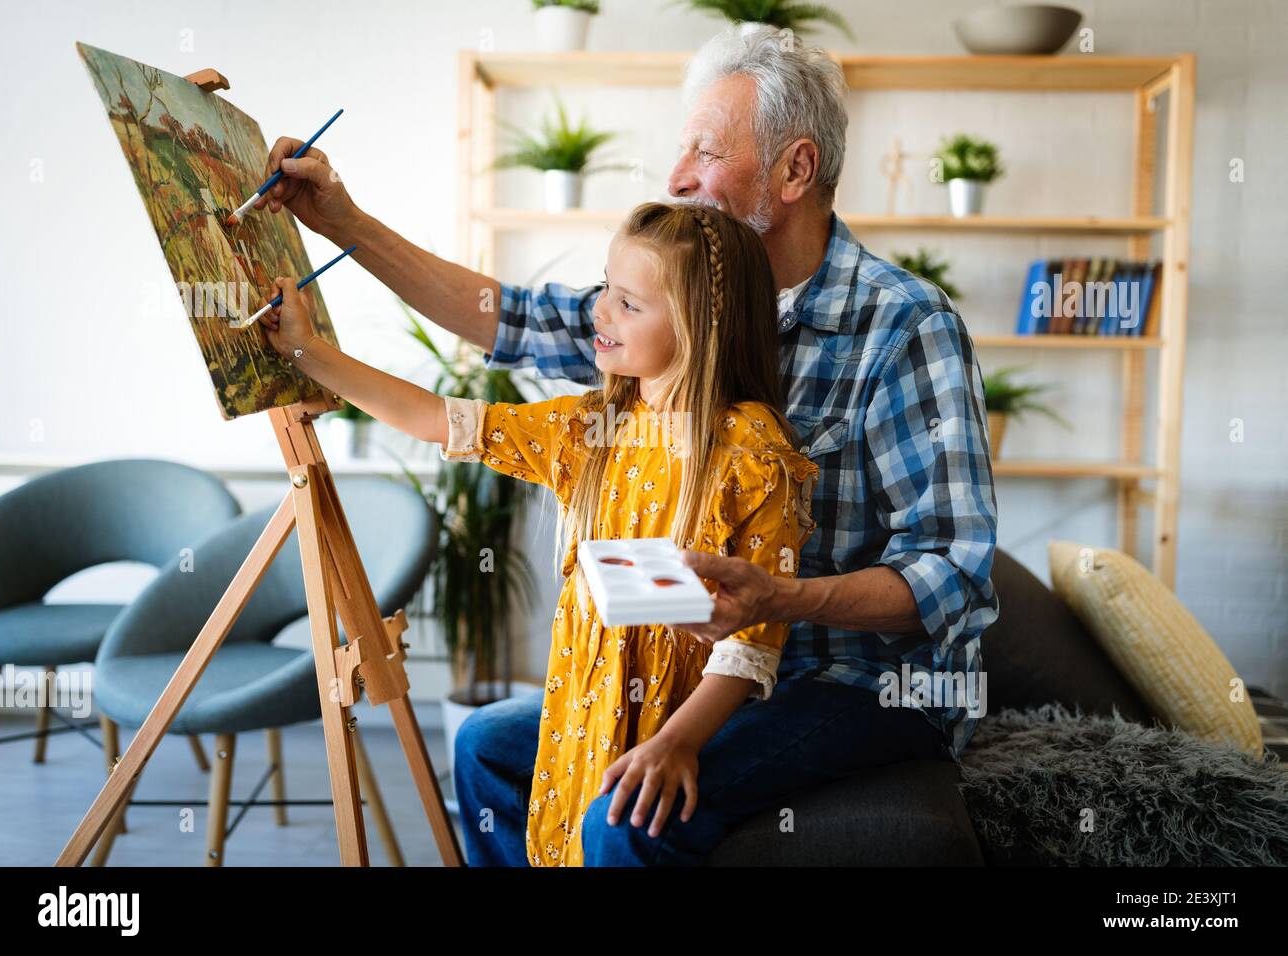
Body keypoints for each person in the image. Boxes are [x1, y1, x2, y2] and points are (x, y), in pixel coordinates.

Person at [259, 26, 999, 866]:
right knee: (489, 747)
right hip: (691, 670)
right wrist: (340, 221)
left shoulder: (905, 326)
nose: (678, 175)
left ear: (796, 170)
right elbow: (504, 319)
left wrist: (780, 599)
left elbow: (954, 570)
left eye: (706, 151)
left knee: (623, 810)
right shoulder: (659, 316)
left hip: (856, 685)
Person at [259, 201, 819, 866]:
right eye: (605, 288)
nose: (600, 312)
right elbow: (441, 420)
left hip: (680, 716)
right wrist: (305, 350)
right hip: (589, 700)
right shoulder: (593, 427)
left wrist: (677, 744)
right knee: (489, 747)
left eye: (628, 304)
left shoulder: (752, 450)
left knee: (614, 821)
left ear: (702, 324)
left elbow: (751, 649)